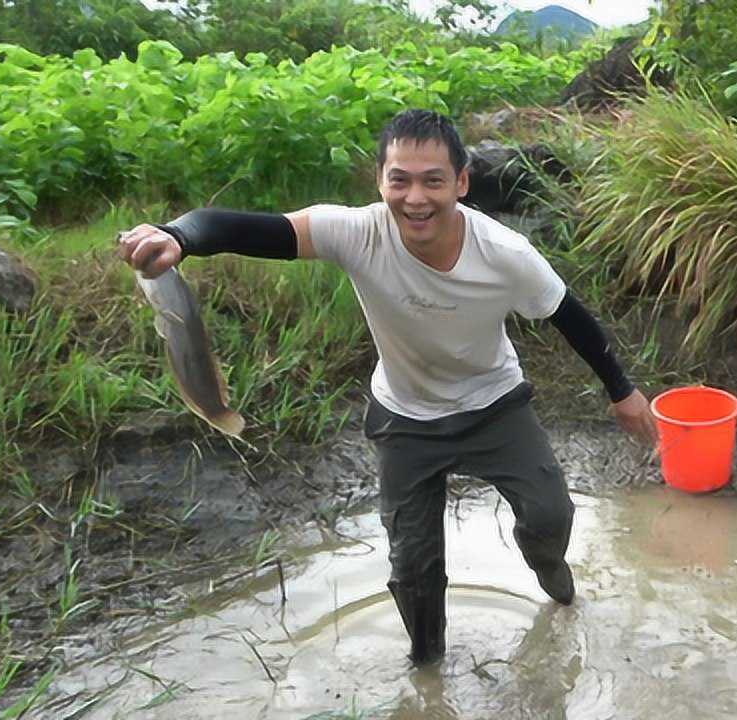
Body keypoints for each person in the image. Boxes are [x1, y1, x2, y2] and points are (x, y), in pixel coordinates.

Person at [116, 109, 659, 665]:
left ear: (461, 182)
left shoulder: (505, 254)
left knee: (551, 516)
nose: (415, 198)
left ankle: (548, 567)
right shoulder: (358, 231)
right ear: (380, 181)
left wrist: (623, 391)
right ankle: (427, 673)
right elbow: (242, 228)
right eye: (399, 179)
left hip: (495, 404)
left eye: (433, 180)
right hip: (406, 420)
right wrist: (178, 236)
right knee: (414, 570)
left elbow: (570, 316)